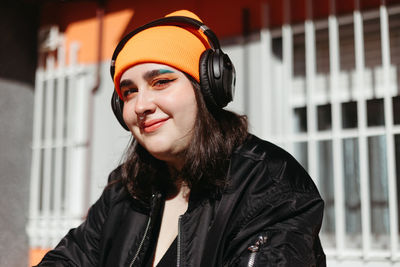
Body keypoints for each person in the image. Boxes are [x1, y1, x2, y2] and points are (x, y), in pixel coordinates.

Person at [37, 10, 326, 267]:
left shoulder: (269, 183)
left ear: (209, 88)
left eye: (161, 82)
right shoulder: (123, 189)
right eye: (129, 92)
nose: (141, 105)